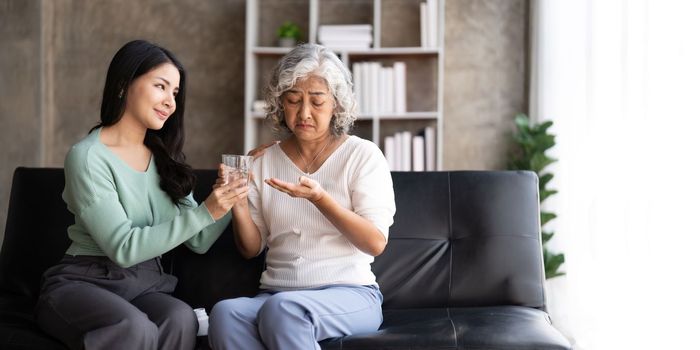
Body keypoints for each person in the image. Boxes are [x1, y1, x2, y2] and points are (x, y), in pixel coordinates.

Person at [34, 40, 240, 350]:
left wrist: (232, 195)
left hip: (143, 285)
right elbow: (123, 248)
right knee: (133, 327)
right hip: (84, 281)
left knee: (180, 317)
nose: (170, 101)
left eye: (175, 93)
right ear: (123, 84)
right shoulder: (88, 157)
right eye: (161, 86)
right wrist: (206, 210)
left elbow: (200, 240)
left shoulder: (164, 160)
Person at [208, 43, 396, 350]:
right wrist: (238, 204)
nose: (304, 113)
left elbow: (375, 242)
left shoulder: (362, 155)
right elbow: (251, 248)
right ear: (281, 104)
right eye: (293, 100)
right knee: (226, 313)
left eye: (317, 102)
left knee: (283, 311)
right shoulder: (262, 162)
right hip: (276, 294)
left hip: (350, 292)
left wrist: (321, 199)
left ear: (337, 104)